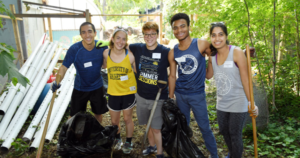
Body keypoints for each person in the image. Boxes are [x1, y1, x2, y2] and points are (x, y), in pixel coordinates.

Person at [168, 13, 219, 158]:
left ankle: (214, 155)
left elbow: (215, 55)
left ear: (189, 27)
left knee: (204, 128)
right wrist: (171, 97)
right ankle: (186, 153)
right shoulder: (173, 52)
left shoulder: (201, 44)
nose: (179, 30)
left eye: (182, 26)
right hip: (180, 95)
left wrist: (209, 72)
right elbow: (172, 76)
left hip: (197, 94)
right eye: (175, 28)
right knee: (183, 127)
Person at [206, 22, 258, 158]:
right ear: (210, 38)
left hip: (238, 100)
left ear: (226, 36)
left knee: (235, 134)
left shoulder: (236, 52)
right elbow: (208, 75)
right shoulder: (212, 56)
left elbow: (246, 80)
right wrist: (200, 60)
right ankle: (233, 153)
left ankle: (235, 155)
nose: (217, 38)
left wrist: (251, 103)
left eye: (220, 35)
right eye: (214, 35)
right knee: (224, 131)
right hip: (222, 102)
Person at [51, 22, 108, 123]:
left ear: (95, 33)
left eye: (90, 31)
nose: (87, 35)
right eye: (84, 32)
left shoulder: (101, 46)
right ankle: (69, 135)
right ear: (81, 35)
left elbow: (105, 65)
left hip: (97, 86)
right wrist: (57, 81)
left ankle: (97, 134)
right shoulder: (75, 49)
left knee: (98, 113)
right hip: (80, 88)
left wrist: (109, 48)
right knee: (74, 116)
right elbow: (64, 67)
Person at [129, 22, 170, 158]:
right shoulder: (137, 48)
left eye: (152, 34)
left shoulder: (165, 52)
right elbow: (121, 44)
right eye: (146, 34)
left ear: (157, 35)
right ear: (143, 36)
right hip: (141, 95)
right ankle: (151, 146)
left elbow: (175, 66)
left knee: (156, 127)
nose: (149, 37)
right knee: (147, 124)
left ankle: (159, 153)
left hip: (158, 96)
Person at [102, 28, 137, 154]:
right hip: (113, 93)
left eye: (124, 39)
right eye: (118, 38)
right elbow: (103, 66)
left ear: (126, 41)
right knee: (114, 121)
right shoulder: (106, 53)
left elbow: (137, 72)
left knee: (127, 119)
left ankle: (128, 141)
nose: (120, 41)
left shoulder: (130, 55)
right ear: (112, 39)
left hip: (128, 92)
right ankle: (117, 139)